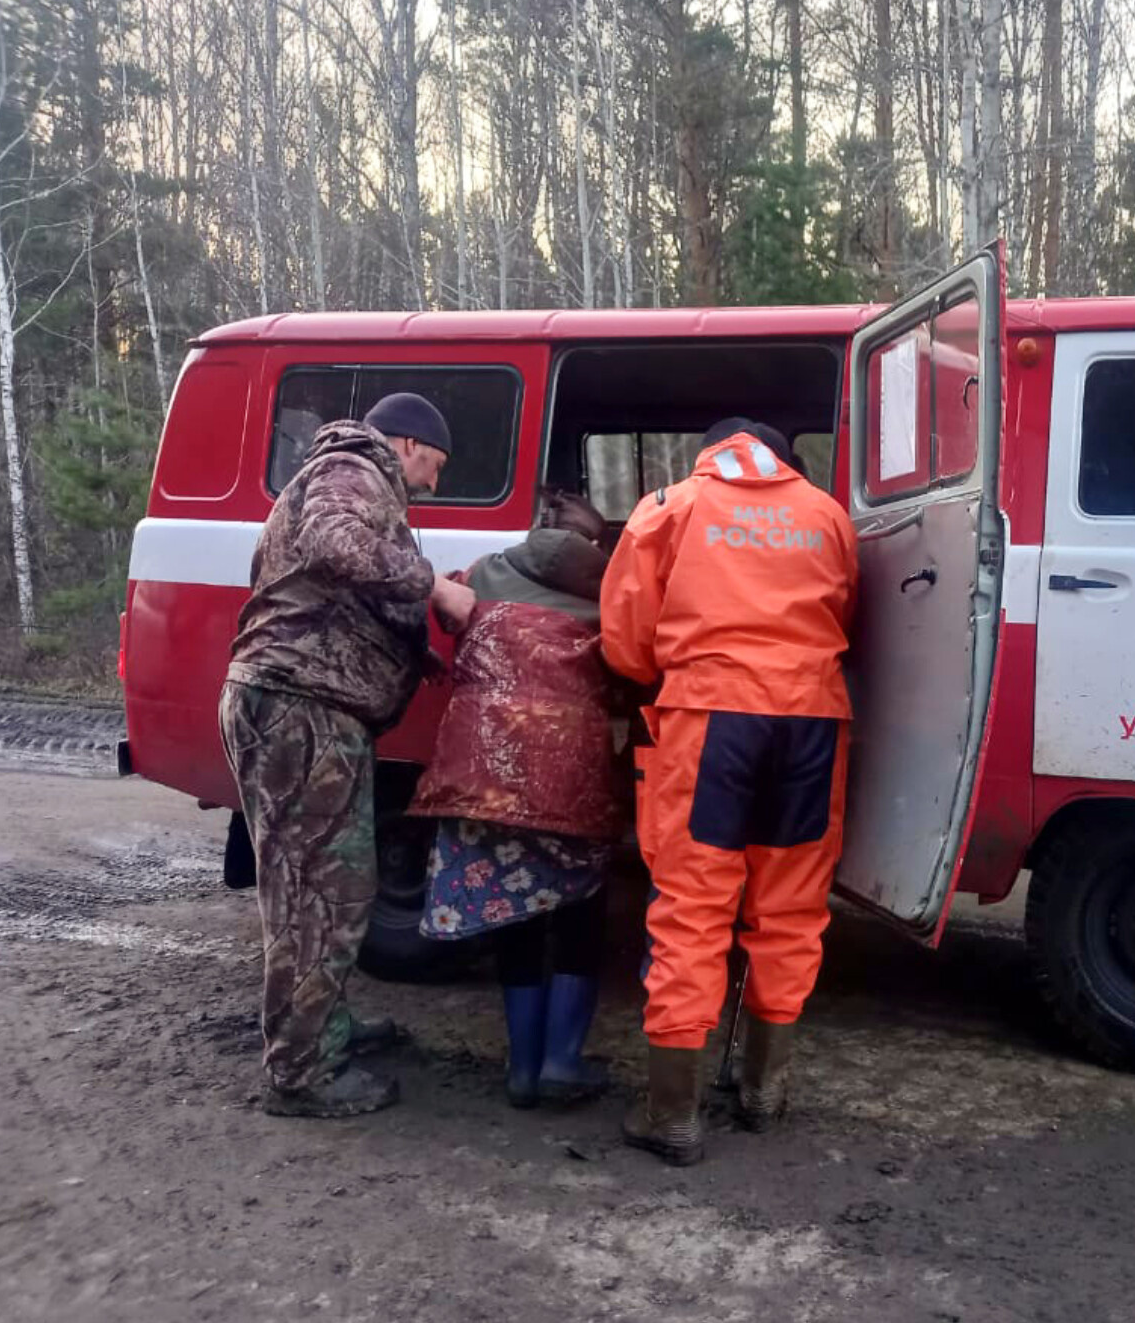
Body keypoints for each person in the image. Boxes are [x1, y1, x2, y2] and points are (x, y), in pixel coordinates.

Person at [600, 418, 859, 1166]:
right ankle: (763, 1094)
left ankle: (673, 1115)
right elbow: (843, 615)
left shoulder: (670, 507)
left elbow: (625, 637)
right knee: (790, 909)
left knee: (691, 907)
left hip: (711, 723)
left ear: (709, 451)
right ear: (782, 454)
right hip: (811, 721)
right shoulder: (827, 514)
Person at [219, 392, 475, 1118]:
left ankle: (320, 1029)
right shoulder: (351, 469)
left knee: (336, 888)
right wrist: (433, 592)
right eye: (434, 463)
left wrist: (411, 648)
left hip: (314, 707)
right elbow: (336, 547)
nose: (432, 481)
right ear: (404, 443)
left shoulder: (351, 479)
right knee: (316, 896)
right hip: (300, 709)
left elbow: (335, 588)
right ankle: (302, 1074)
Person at [409, 491, 624, 1109]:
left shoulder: (482, 574)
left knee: (514, 915)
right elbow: (633, 672)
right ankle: (562, 1061)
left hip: (479, 775)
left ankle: (522, 1071)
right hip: (567, 779)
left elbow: (447, 621)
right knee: (579, 913)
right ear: (595, 544)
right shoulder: (610, 594)